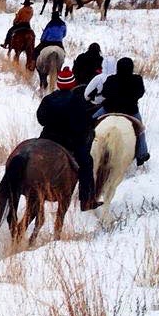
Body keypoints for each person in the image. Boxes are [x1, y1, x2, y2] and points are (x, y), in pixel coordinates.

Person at [37, 67, 102, 211]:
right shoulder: (77, 101)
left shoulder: (48, 99)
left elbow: (40, 119)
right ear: (72, 84)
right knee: (87, 163)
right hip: (69, 142)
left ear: (59, 84)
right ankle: (87, 200)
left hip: (47, 139)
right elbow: (82, 125)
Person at [100, 57, 150, 165]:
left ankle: (86, 149)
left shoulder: (111, 79)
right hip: (131, 112)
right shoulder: (137, 79)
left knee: (90, 123)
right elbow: (140, 93)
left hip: (109, 110)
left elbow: (104, 93)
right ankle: (142, 154)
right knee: (140, 130)